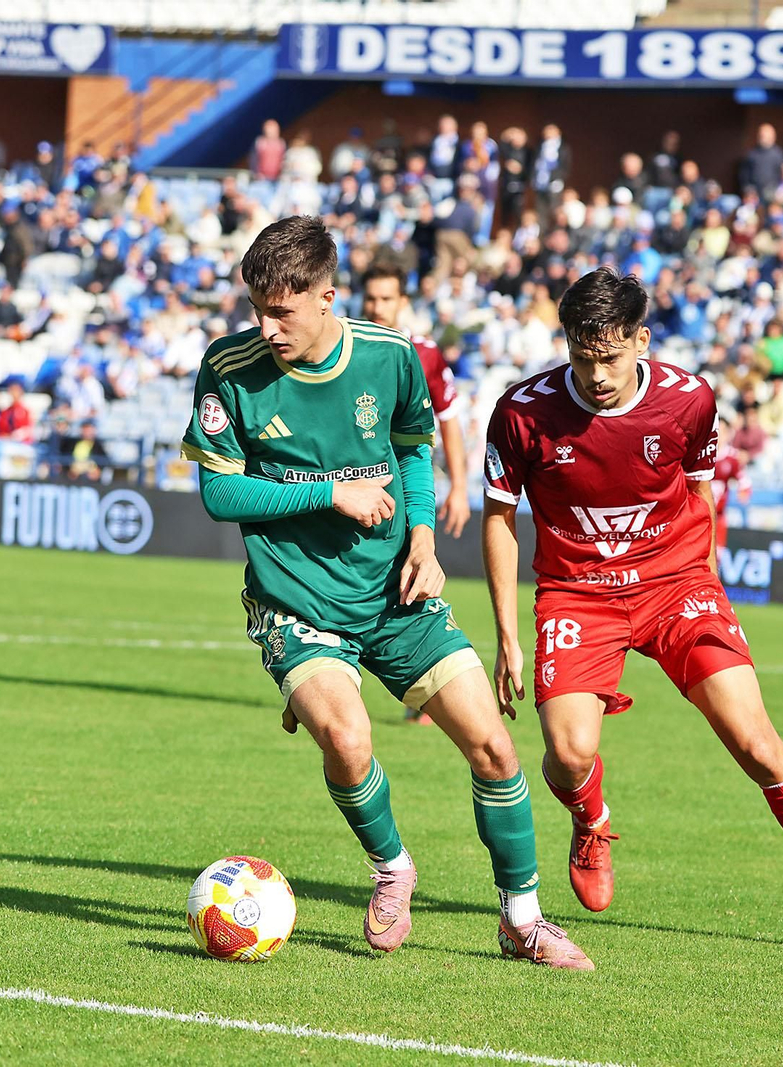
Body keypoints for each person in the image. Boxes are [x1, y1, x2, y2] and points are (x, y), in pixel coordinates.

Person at [181, 215, 591, 968]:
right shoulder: (229, 367)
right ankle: (392, 867)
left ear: (327, 297)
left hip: (394, 590)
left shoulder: (391, 356)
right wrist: (329, 492)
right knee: (347, 738)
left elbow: (411, 454)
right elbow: (218, 493)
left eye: (282, 312)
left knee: (495, 747)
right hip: (297, 600)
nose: (266, 328)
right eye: (258, 310)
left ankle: (523, 922)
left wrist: (424, 539)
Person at [482, 267, 783, 962]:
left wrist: (704, 585)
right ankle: (591, 818)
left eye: (611, 356)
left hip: (675, 584)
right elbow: (499, 518)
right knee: (569, 750)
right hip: (579, 593)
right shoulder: (522, 411)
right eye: (583, 358)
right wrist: (506, 635)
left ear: (641, 340)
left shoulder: (689, 400)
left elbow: (700, 493)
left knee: (757, 743)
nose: (597, 375)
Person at [361, 262, 472, 727]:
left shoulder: (423, 354)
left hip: (407, 487)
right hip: (354, 485)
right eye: (371, 298)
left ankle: (429, 686)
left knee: (416, 572)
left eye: (386, 298)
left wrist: (459, 487)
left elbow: (448, 422)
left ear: (403, 302)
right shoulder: (346, 347)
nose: (377, 306)